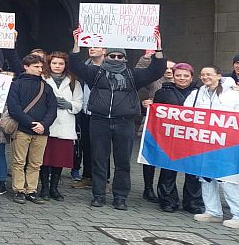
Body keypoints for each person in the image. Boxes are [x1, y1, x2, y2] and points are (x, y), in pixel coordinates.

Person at [69, 28, 166, 210]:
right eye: (112, 56)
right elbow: (76, 66)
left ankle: (120, 197)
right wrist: (77, 43)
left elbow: (156, 70)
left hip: (124, 122)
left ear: (124, 59)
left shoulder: (133, 75)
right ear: (106, 57)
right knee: (99, 160)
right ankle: (98, 195)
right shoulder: (95, 73)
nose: (115, 59)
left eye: (119, 57)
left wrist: (158, 47)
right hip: (99, 121)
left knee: (122, 162)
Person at [186, 66, 239, 229]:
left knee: (227, 179)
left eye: (209, 74)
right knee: (206, 177)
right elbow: (186, 113)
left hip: (226, 143)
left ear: (218, 76)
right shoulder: (196, 94)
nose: (205, 77)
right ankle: (213, 212)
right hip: (203, 141)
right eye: (202, 74)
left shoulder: (233, 94)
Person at [151, 63, 203, 213]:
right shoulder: (163, 92)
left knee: (193, 171)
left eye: (186, 76)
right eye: (178, 75)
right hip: (171, 136)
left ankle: (192, 202)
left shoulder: (200, 93)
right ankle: (168, 200)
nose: (182, 78)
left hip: (193, 137)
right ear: (173, 76)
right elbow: (157, 115)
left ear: (192, 77)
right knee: (168, 169)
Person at [8, 54, 58, 204]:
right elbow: (14, 109)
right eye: (36, 67)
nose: (39, 70)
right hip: (23, 130)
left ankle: (31, 190)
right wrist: (32, 124)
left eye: (41, 67)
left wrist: (43, 125)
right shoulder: (16, 85)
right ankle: (19, 190)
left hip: (42, 131)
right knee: (19, 161)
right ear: (26, 67)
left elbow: (52, 109)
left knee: (36, 163)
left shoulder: (46, 86)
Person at [39, 52, 83, 201]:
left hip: (65, 124)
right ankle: (44, 187)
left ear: (65, 65)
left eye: (61, 64)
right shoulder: (42, 78)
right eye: (55, 63)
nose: (57, 66)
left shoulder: (73, 82)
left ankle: (54, 188)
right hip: (47, 123)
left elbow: (79, 103)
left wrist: (69, 104)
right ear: (49, 64)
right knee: (44, 159)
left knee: (59, 159)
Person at [137, 56, 176, 202]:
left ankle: (166, 190)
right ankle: (148, 188)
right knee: (150, 156)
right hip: (155, 124)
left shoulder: (183, 84)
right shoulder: (156, 82)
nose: (169, 71)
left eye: (172, 69)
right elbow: (140, 73)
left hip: (173, 127)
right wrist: (146, 58)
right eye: (165, 68)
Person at [71, 45, 106, 188]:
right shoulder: (84, 66)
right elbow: (74, 62)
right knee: (86, 145)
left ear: (104, 50)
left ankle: (103, 179)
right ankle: (87, 176)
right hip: (86, 111)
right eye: (90, 46)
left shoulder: (111, 67)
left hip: (102, 113)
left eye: (96, 47)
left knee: (102, 148)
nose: (92, 49)